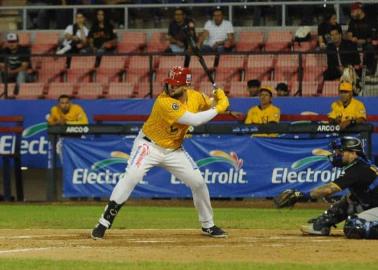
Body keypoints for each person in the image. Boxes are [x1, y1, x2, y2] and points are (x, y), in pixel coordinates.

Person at [91, 66, 229, 240]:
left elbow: (210, 104)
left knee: (199, 183)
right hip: (149, 146)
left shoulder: (195, 96)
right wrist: (220, 107)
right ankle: (104, 222)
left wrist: (218, 98)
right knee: (131, 177)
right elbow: (196, 119)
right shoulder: (164, 101)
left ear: (185, 86)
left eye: (176, 84)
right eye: (170, 83)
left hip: (174, 149)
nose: (171, 87)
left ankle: (208, 224)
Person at [276, 136, 378, 238]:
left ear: (353, 153)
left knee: (355, 227)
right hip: (372, 205)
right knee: (350, 200)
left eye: (341, 152)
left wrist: (301, 195)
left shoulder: (357, 169)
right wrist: (325, 153)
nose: (337, 155)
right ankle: (322, 225)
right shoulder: (360, 164)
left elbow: (329, 189)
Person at [347, 2, 377, 75]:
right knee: (347, 46)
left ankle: (369, 70)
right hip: (355, 44)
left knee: (369, 47)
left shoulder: (371, 21)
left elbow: (374, 36)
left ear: (359, 10)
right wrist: (351, 38)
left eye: (353, 12)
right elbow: (349, 34)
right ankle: (353, 69)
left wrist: (364, 41)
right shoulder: (352, 21)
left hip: (368, 43)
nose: (351, 14)